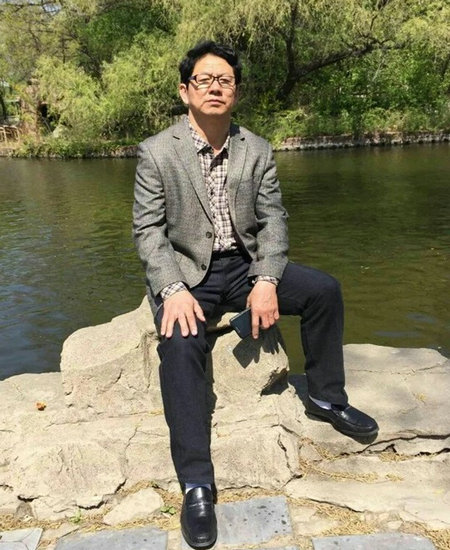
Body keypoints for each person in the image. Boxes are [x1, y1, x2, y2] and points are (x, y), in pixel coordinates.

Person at [133, 40, 378, 549]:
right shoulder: (157, 151)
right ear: (185, 91)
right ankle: (197, 485)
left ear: (236, 92)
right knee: (180, 344)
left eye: (225, 80)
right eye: (204, 80)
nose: (215, 87)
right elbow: (148, 231)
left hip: (245, 266)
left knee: (323, 291)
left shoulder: (257, 149)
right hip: (189, 272)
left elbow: (273, 221)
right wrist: (172, 289)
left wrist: (266, 280)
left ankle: (326, 398)